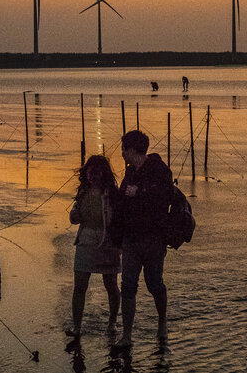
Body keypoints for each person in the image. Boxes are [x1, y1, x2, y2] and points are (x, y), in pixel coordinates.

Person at [111, 130, 173, 350]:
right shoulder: (129, 173)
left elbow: (166, 195)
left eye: (123, 150)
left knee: (154, 284)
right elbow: (121, 201)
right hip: (131, 239)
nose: (121, 154)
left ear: (132, 149)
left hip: (154, 239)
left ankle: (162, 322)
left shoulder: (159, 169)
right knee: (128, 286)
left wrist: (140, 191)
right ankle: (126, 336)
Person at [67, 155, 121, 337]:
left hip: (107, 243)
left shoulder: (112, 194)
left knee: (111, 284)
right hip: (86, 240)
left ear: (103, 174)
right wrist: (74, 216)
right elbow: (75, 218)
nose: (92, 176)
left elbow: (118, 220)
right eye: (89, 173)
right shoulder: (83, 192)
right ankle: (76, 327)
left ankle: (112, 323)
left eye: (95, 173)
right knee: (79, 286)